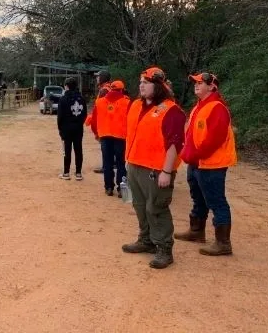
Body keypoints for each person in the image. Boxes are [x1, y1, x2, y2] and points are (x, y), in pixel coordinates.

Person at [121, 67, 185, 269]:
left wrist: (166, 171)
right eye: (140, 82)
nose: (141, 85)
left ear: (158, 86)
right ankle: (145, 240)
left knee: (156, 208)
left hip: (157, 170)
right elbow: (131, 135)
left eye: (146, 82)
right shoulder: (135, 105)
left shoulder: (172, 110)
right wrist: (127, 160)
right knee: (139, 206)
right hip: (134, 165)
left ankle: (164, 249)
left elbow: (174, 144)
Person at [176, 72, 237, 256]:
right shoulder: (199, 107)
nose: (196, 84)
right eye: (195, 82)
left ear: (212, 86)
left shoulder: (217, 108)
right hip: (197, 162)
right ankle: (196, 231)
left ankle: (223, 243)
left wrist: (192, 154)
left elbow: (214, 140)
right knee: (198, 198)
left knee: (217, 202)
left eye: (201, 82)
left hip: (211, 164)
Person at [88, 80, 131, 196]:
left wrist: (97, 133)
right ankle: (122, 189)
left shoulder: (100, 102)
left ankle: (108, 187)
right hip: (121, 137)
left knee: (107, 163)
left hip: (105, 137)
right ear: (122, 89)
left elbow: (94, 121)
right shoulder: (127, 102)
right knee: (121, 164)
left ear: (111, 89)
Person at [57, 77, 87, 181]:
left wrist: (60, 129)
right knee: (78, 150)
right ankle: (78, 173)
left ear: (66, 86)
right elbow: (84, 114)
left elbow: (59, 116)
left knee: (67, 150)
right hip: (78, 128)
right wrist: (79, 123)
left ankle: (66, 173)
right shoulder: (81, 99)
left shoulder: (63, 99)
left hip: (66, 129)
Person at [90, 70, 112, 173]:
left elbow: (102, 108)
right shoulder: (108, 88)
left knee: (106, 147)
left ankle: (106, 167)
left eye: (98, 76)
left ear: (102, 78)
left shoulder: (104, 90)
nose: (96, 78)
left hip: (104, 122)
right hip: (108, 122)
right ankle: (107, 166)